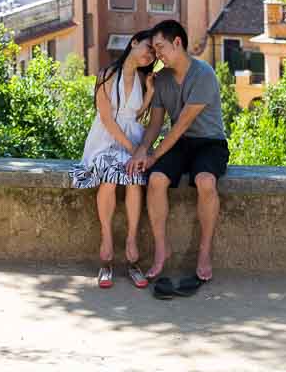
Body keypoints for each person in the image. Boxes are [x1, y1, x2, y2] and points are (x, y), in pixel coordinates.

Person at [127, 19, 228, 284]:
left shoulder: (204, 74)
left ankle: (204, 252)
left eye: (160, 47)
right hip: (180, 144)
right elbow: (156, 124)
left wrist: (154, 156)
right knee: (156, 180)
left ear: (178, 43)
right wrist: (142, 151)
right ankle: (162, 248)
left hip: (210, 142)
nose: (156, 54)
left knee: (205, 181)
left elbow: (182, 123)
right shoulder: (161, 80)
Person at [71, 30, 156, 289]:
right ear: (133, 42)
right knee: (108, 176)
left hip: (131, 136)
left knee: (132, 177)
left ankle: (131, 242)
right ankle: (106, 242)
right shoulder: (107, 75)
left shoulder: (143, 78)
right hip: (106, 138)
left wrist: (150, 93)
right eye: (147, 47)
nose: (149, 54)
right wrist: (134, 148)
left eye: (154, 52)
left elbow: (136, 114)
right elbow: (108, 119)